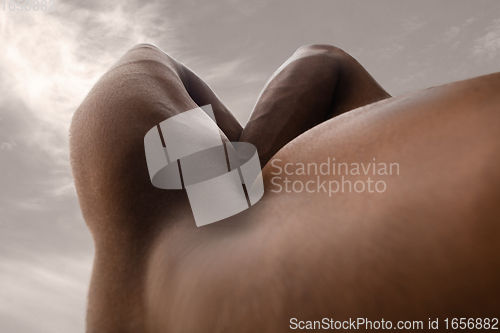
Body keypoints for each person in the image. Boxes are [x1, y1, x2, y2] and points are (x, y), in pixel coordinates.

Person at [70, 43, 500, 332]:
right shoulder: (166, 235)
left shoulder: (162, 252)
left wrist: (240, 185)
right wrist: (243, 176)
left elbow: (325, 66)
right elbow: (321, 63)